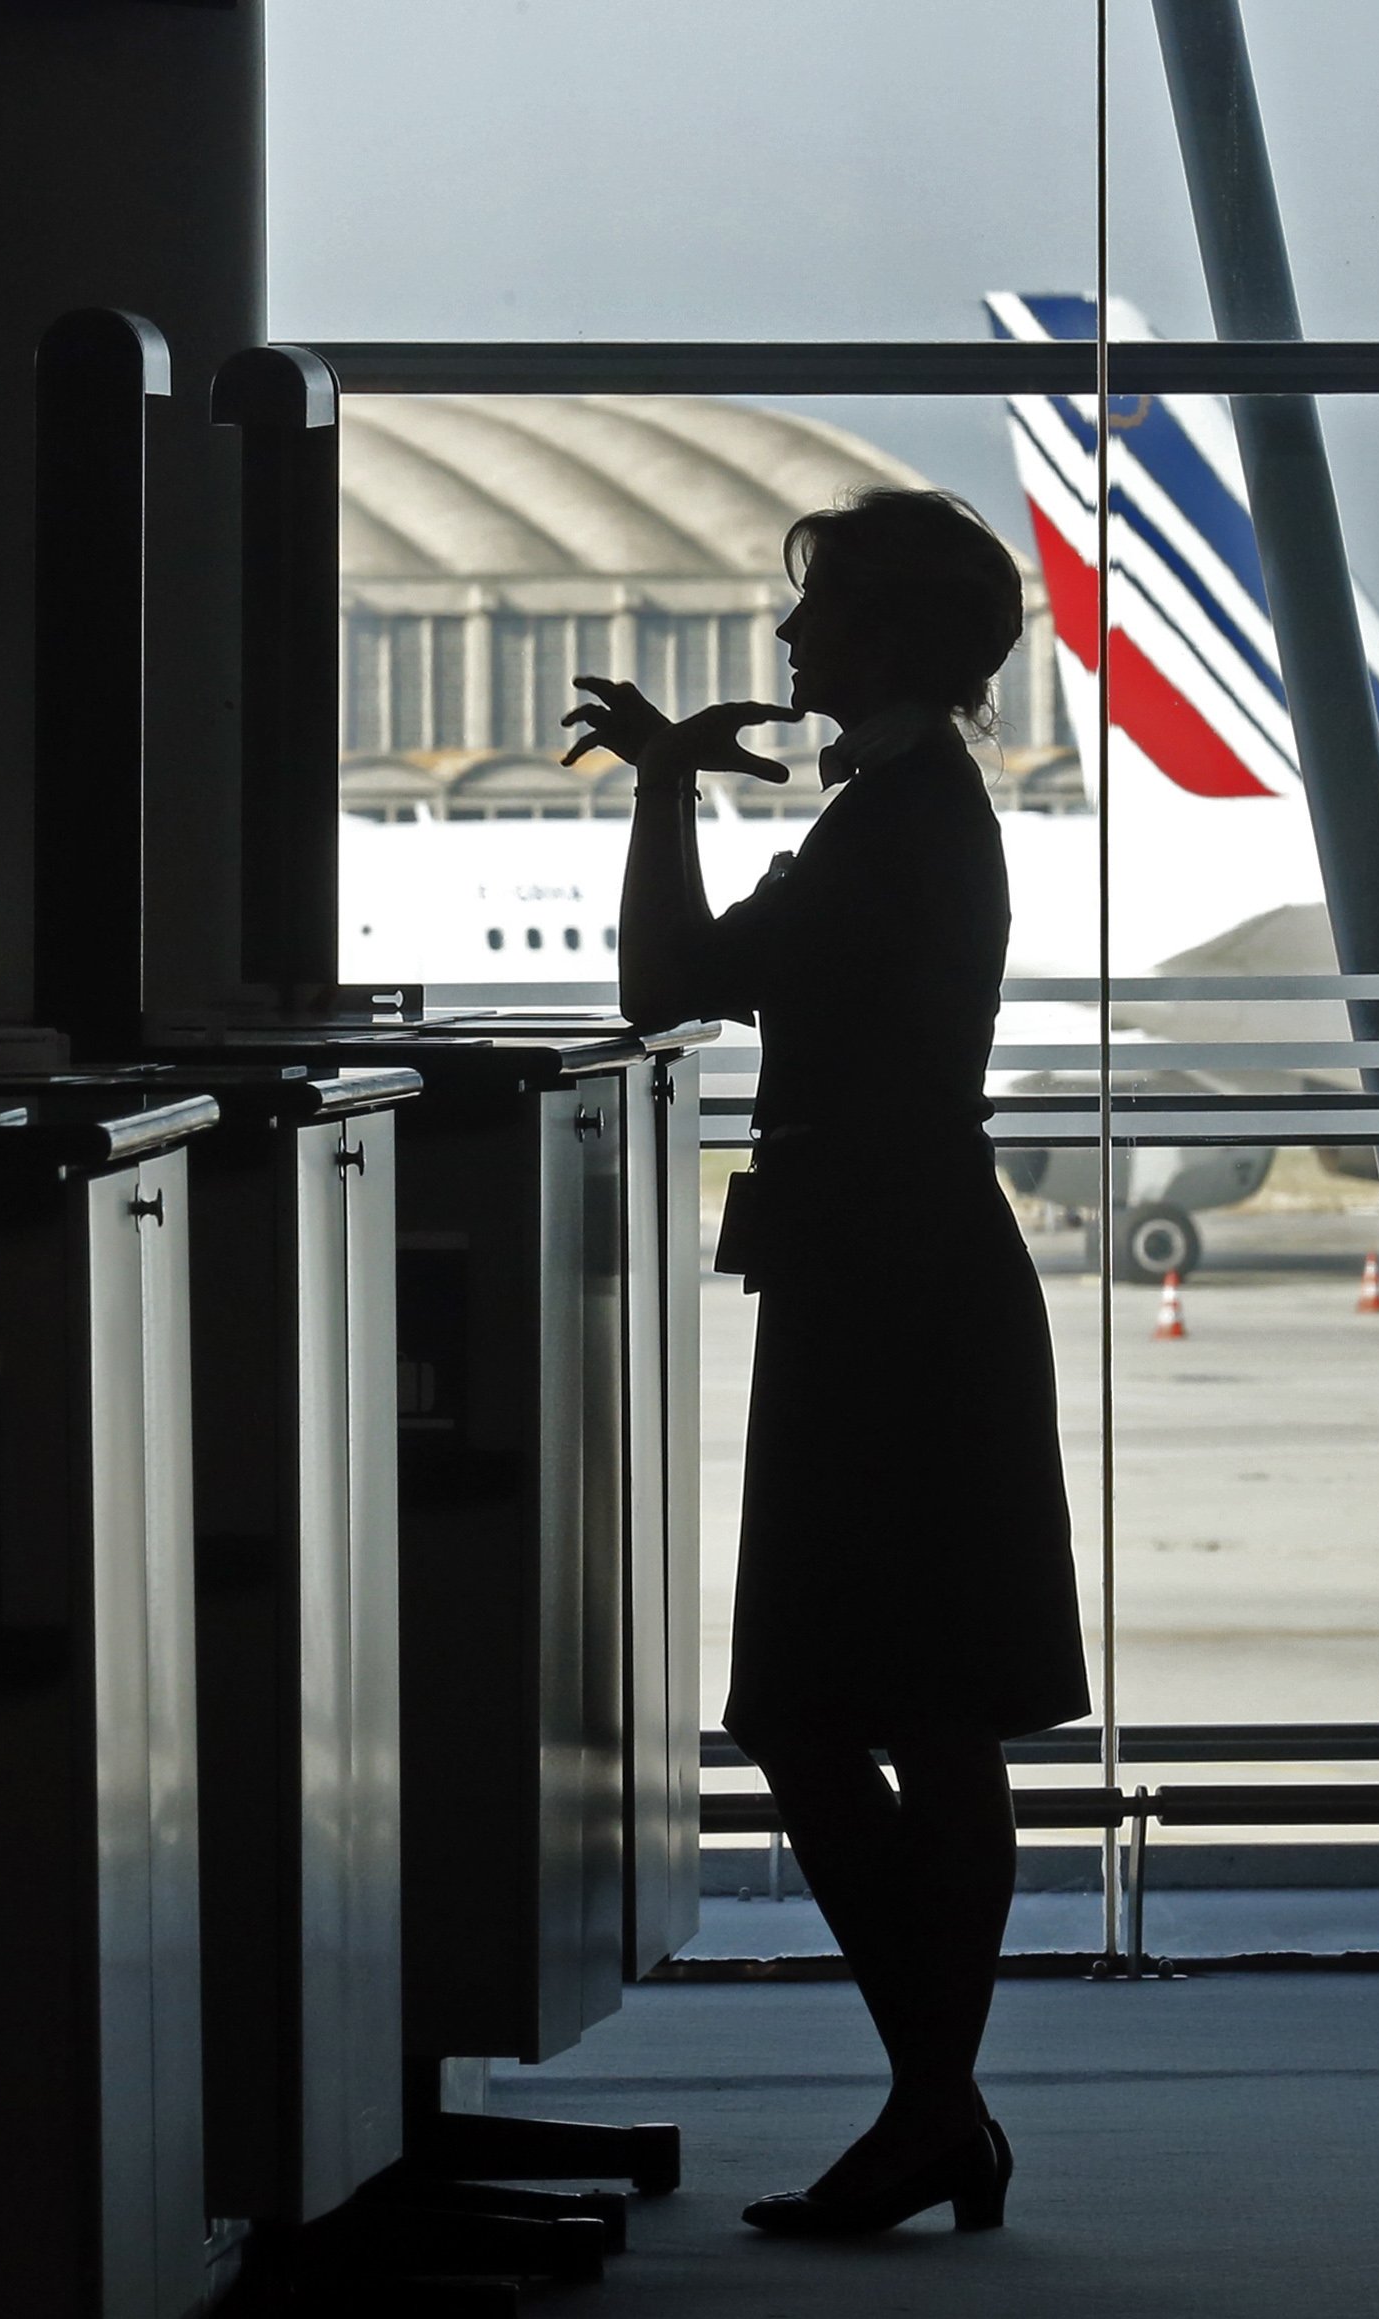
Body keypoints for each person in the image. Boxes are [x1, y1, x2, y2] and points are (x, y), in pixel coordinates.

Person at [564, 486, 1089, 2239]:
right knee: (937, 1722)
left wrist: (659, 789)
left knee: (819, 1713)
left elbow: (663, 985)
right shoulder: (919, 810)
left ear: (891, 640)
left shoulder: (890, 827)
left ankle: (935, 2109)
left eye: (825, 613)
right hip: (920, 1279)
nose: (791, 642)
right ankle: (935, 2111)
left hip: (881, 1301)